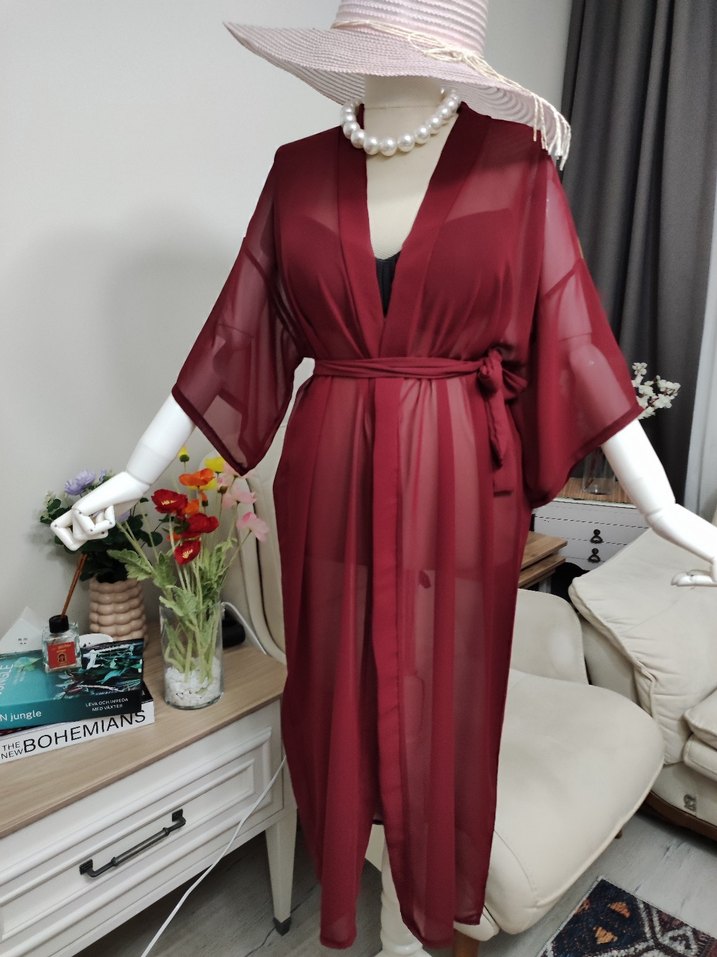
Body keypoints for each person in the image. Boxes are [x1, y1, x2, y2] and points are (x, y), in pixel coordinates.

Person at [52, 3, 717, 954]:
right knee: (336, 680)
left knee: (444, 681)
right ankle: (360, 861)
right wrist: (132, 473)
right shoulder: (296, 173)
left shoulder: (515, 168)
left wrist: (661, 507)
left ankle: (423, 900)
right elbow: (235, 334)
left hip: (459, 476)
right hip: (329, 473)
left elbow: (576, 340)